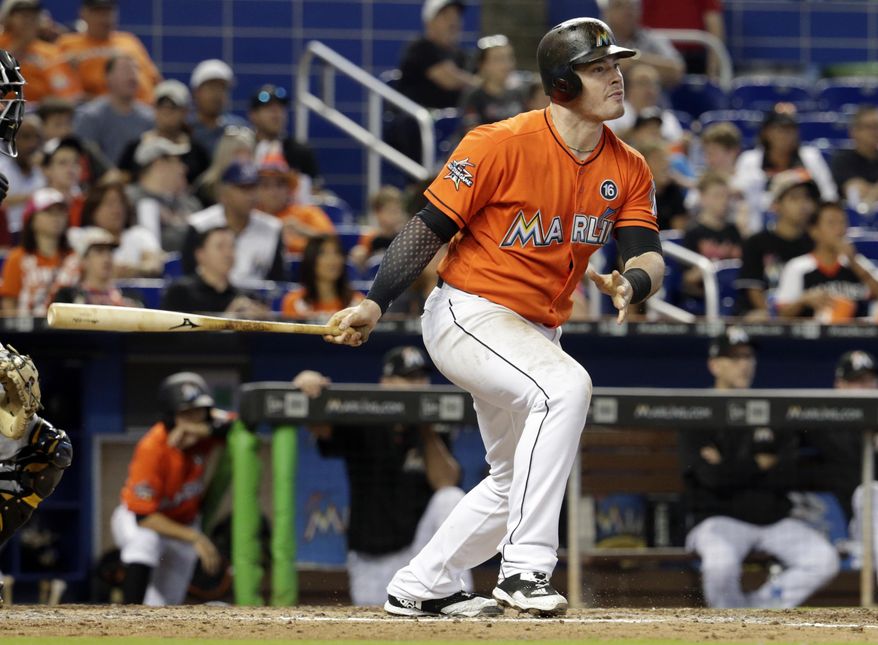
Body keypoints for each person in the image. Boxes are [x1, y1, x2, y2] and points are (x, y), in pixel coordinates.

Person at [324, 18, 665, 617]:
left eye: (615, 65)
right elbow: (427, 229)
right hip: (470, 313)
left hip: (536, 331)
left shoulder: (629, 166)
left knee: (515, 477)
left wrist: (631, 282)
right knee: (565, 388)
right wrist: (375, 302)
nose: (616, 76)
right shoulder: (498, 143)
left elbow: (648, 254)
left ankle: (423, 584)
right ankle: (526, 567)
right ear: (562, 84)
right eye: (598, 68)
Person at [292, 346, 472, 606]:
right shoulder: (365, 417)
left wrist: (426, 430)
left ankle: (458, 597)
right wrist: (308, 384)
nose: (417, 385)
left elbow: (446, 482)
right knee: (377, 621)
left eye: (420, 377)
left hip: (420, 552)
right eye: (408, 378)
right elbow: (321, 427)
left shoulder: (432, 428)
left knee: (450, 498)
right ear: (385, 383)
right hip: (372, 558)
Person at [680, 327, 839, 608]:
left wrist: (730, 466)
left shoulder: (769, 410)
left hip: (772, 520)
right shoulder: (698, 412)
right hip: (719, 520)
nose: (744, 364)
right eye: (734, 358)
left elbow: (786, 474)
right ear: (714, 365)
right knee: (720, 566)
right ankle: (729, 623)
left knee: (823, 560)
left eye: (748, 357)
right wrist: (758, 463)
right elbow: (711, 478)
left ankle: (757, 611)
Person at [111, 372, 230, 606]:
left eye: (199, 412)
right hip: (141, 520)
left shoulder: (205, 435)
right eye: (186, 414)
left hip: (184, 524)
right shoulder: (152, 447)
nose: (194, 420)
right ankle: (128, 613)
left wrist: (203, 430)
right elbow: (144, 517)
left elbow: (241, 423)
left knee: (166, 604)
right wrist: (195, 537)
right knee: (145, 541)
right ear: (170, 417)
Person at [182, 160, 286, 286]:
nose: (251, 195)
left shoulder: (273, 228)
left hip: (255, 296)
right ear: (224, 193)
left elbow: (278, 282)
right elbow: (188, 276)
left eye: (254, 188)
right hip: (206, 295)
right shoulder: (200, 225)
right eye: (243, 188)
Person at [733, 107, 837, 231]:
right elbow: (740, 196)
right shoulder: (749, 160)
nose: (785, 136)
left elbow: (829, 195)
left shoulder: (811, 157)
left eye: (790, 130)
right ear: (767, 133)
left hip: (806, 224)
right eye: (780, 130)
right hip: (758, 225)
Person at [775, 201, 878, 321]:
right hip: (813, 331)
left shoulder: (859, 264)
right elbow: (781, 315)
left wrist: (853, 262)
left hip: (855, 331)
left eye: (842, 222)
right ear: (814, 231)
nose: (839, 229)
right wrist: (803, 300)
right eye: (831, 223)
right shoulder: (797, 267)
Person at [734, 168, 817, 318]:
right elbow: (754, 290)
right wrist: (775, 319)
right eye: (794, 198)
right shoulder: (756, 242)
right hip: (768, 317)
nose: (803, 204)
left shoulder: (815, 243)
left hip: (806, 317)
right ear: (776, 205)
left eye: (807, 198)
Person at [56, 0, 161, 103]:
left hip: (147, 107)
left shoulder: (129, 40)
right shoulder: (67, 44)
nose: (105, 18)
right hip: (102, 109)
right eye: (98, 12)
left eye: (109, 12)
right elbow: (58, 85)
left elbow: (155, 78)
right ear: (84, 14)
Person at [0, 187, 79, 316]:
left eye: (60, 212)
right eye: (49, 212)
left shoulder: (75, 258)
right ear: (31, 218)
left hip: (67, 326)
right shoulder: (17, 258)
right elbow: (9, 308)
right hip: (27, 326)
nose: (56, 218)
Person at [117, 80, 211, 186]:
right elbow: (122, 181)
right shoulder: (134, 148)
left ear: (185, 111)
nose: (166, 111)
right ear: (154, 109)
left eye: (173, 107)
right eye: (161, 105)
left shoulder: (198, 152)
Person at [162, 225, 267, 317]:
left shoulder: (246, 297)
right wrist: (227, 320)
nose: (228, 253)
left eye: (232, 246)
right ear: (200, 254)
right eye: (220, 246)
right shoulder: (181, 293)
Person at [73, 54, 155, 167]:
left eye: (136, 70)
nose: (132, 75)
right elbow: (81, 158)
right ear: (108, 77)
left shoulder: (150, 118)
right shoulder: (90, 116)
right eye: (125, 70)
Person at [397, 0, 477, 109]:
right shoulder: (420, 48)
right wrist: (483, 85)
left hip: (455, 117)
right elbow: (449, 80)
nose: (453, 22)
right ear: (429, 22)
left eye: (456, 16)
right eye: (446, 16)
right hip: (417, 117)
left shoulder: (462, 56)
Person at [126, 137, 200, 253]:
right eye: (177, 161)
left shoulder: (189, 203)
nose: (184, 168)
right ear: (159, 164)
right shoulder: (128, 200)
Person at [248, 84, 320, 201]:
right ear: (253, 115)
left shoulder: (300, 151)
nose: (276, 114)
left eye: (280, 108)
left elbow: (314, 191)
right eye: (268, 108)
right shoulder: (244, 148)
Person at [0, 0, 81, 104]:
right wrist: (20, 45)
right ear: (8, 18)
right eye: (22, 15)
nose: (28, 20)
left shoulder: (50, 52)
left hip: (42, 107)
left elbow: (62, 87)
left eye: (33, 16)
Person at [79, 180, 163, 278]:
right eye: (109, 204)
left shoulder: (139, 234)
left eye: (121, 203)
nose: (117, 209)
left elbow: (155, 262)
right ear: (93, 211)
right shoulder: (83, 236)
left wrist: (134, 270)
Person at [255, 155, 335, 255]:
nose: (273, 192)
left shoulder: (308, 213)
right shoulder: (250, 216)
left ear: (289, 189)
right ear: (256, 190)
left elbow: (333, 244)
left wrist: (303, 231)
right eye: (265, 185)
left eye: (279, 185)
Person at [598, 0, 684, 88]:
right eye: (619, 6)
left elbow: (676, 70)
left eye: (632, 7)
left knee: (643, 75)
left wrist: (635, 59)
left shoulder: (652, 39)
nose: (627, 12)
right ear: (606, 12)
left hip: (651, 96)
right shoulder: (595, 40)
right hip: (605, 94)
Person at [51, 226, 140, 307]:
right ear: (84, 260)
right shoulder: (68, 297)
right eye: (99, 251)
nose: (107, 258)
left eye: (110, 252)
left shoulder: (129, 298)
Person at [281, 235, 363, 319]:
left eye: (337, 252)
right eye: (324, 253)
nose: (333, 259)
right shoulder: (294, 302)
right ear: (311, 260)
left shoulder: (357, 303)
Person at [641, 0, 725, 77]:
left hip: (693, 56)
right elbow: (635, 16)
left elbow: (713, 21)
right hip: (652, 54)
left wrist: (713, 68)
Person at [458, 35, 524, 134]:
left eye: (509, 58)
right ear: (482, 64)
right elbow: (473, 134)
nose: (507, 64)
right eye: (498, 59)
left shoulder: (518, 93)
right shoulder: (474, 97)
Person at [606, 63, 683, 143]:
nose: (650, 89)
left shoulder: (667, 118)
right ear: (627, 87)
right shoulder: (612, 113)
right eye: (643, 83)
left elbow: (677, 145)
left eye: (655, 84)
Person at [189, 59, 248, 155]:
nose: (216, 94)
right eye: (211, 88)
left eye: (222, 88)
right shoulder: (185, 128)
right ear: (196, 92)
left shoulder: (239, 129)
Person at [0, 114, 44, 242]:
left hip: (33, 237)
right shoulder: (1, 166)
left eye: (37, 137)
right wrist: (32, 198)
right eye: (25, 137)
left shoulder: (42, 171)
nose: (32, 144)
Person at [830, 106, 878, 217]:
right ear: (854, 132)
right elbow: (855, 193)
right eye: (870, 127)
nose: (875, 132)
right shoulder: (842, 159)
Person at [192, 125, 255, 208]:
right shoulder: (206, 188)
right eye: (239, 153)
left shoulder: (256, 184)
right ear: (225, 154)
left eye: (248, 153)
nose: (244, 159)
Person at [349, 186, 409, 270]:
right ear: (378, 213)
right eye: (391, 211)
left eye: (398, 210)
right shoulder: (370, 238)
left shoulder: (405, 237)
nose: (395, 215)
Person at [40, 135, 86, 227]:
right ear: (46, 169)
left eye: (76, 162)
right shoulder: (39, 204)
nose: (71, 169)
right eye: (62, 163)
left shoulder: (85, 203)